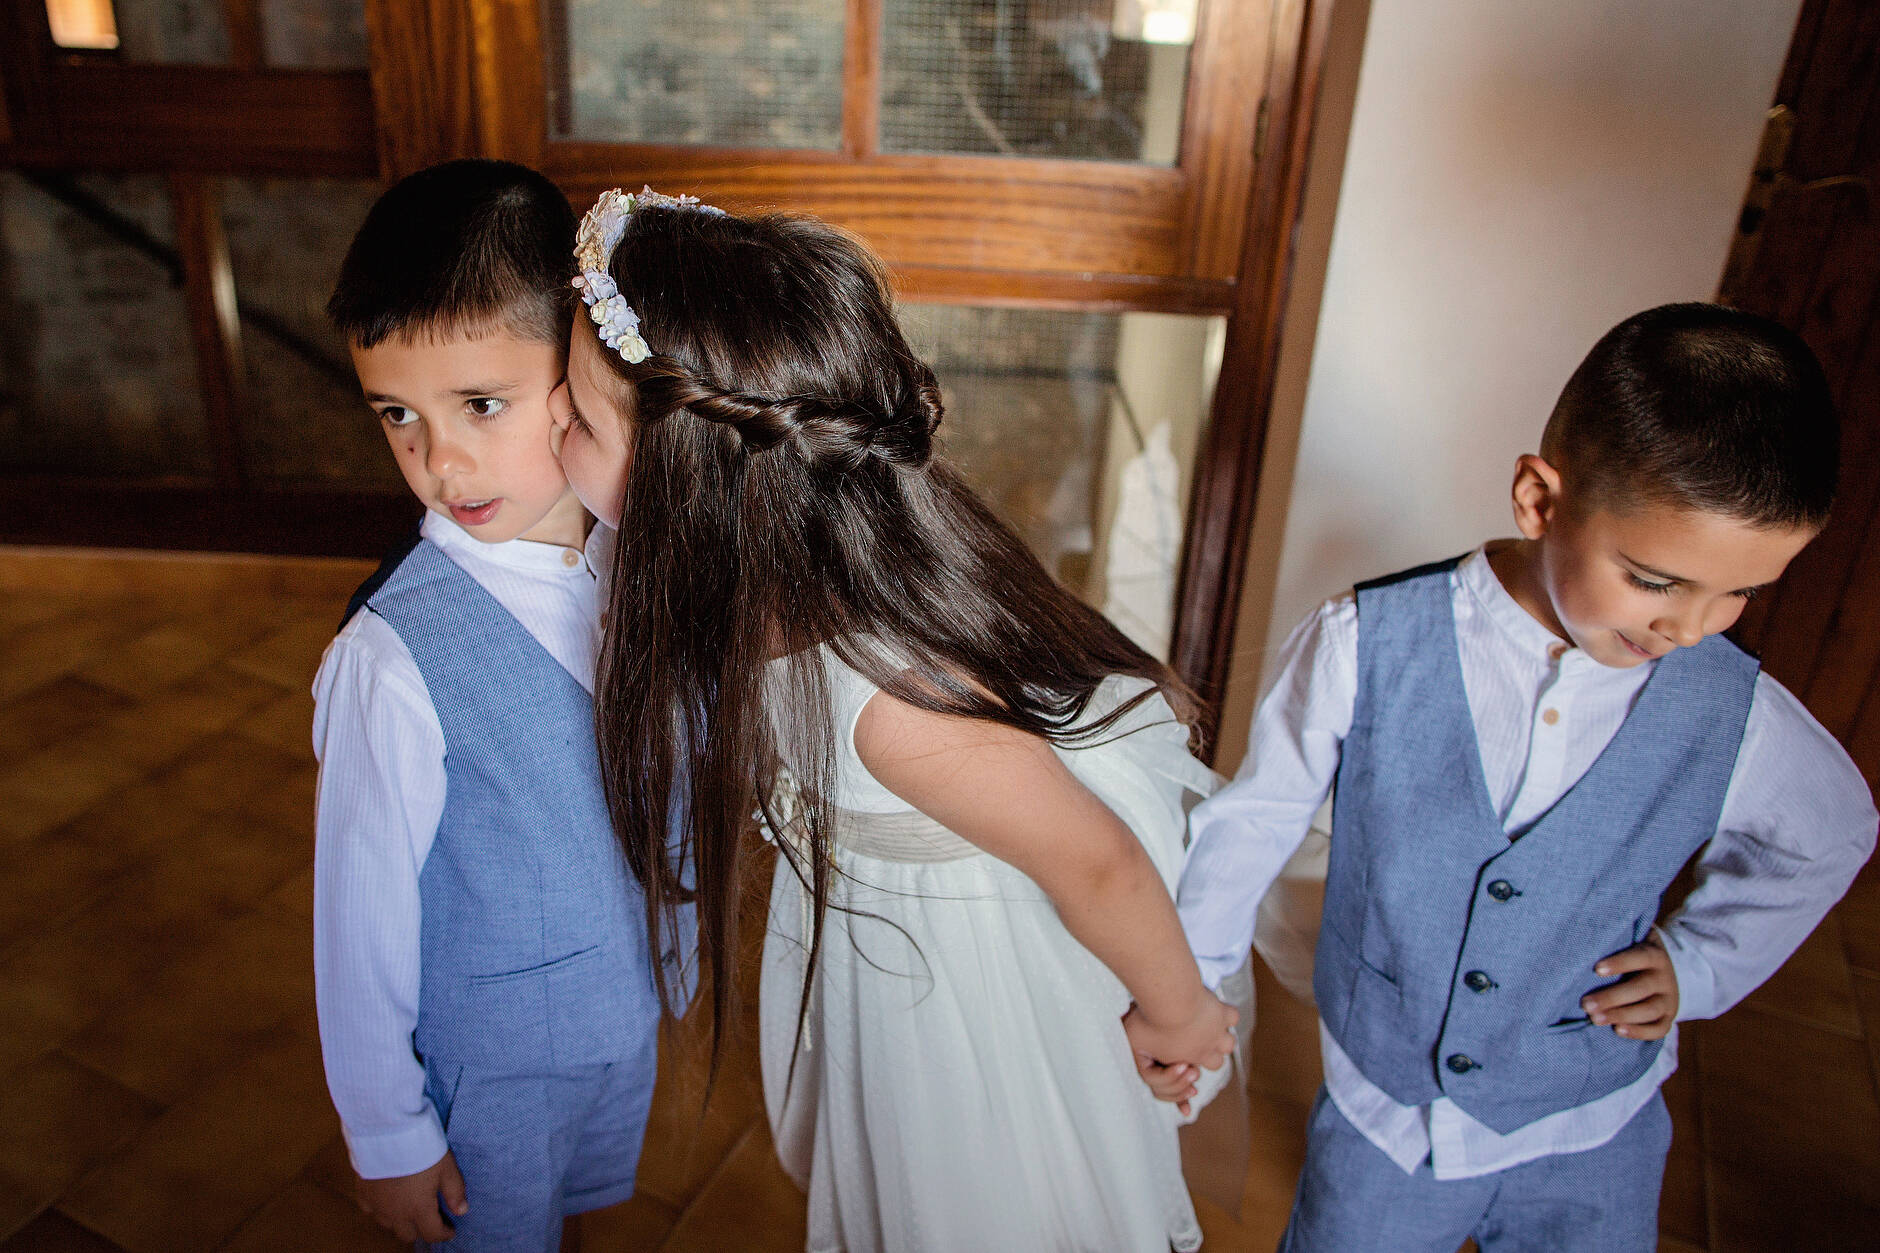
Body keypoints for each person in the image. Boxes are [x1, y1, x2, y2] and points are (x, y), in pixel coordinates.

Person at [547, 187, 1237, 1252]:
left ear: (697, 483)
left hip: (964, 1011)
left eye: (577, 419)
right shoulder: (778, 583)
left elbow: (1097, 862)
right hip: (890, 961)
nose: (552, 426)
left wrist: (1179, 1011)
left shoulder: (888, 708)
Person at [1168, 302, 1878, 1251]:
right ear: (1541, 500)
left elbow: (1830, 830)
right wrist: (1196, 988)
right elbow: (1254, 821)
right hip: (1389, 1118)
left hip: (1592, 1128)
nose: (1691, 627)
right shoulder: (1364, 642)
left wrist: (1703, 960)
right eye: (1657, 580)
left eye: (1741, 592)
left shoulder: (1729, 706)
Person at [313, 159, 680, 1251]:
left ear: (576, 362)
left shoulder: (636, 555)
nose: (441, 459)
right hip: (491, 1067)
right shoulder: (390, 658)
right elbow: (356, 920)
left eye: (481, 402)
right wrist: (388, 1131)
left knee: (592, 1215)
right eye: (397, 415)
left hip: (622, 1019)